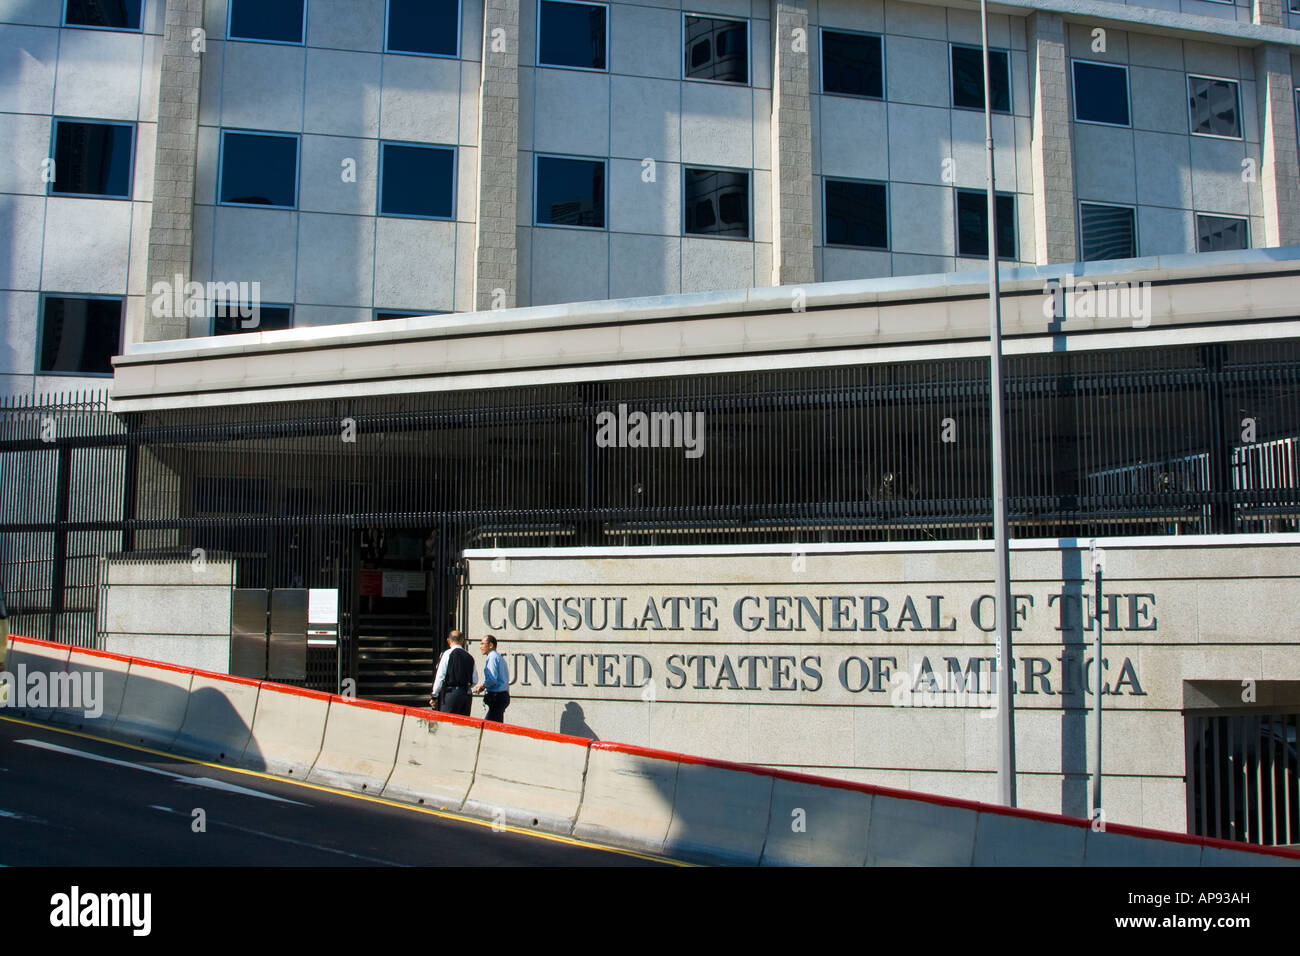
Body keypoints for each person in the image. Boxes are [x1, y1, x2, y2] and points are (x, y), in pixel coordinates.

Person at [430, 630, 476, 716]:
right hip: (466, 695)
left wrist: (434, 695)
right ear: (463, 641)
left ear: (448, 640)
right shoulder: (469, 656)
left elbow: (440, 676)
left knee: (446, 724)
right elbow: (475, 680)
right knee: (463, 725)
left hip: (451, 693)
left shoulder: (446, 654)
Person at [473, 634, 510, 723]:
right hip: (502, 695)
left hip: (496, 696)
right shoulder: (498, 657)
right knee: (496, 724)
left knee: (490, 727)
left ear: (490, 645)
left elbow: (492, 679)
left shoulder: (492, 657)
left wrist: (482, 686)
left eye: (482, 643)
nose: (480, 646)